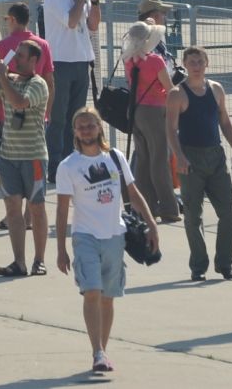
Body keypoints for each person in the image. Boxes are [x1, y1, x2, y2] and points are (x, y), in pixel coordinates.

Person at [55, 107, 159, 378]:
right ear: (75, 132)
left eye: (90, 125)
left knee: (108, 298)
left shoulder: (115, 157)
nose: (86, 130)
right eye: (81, 126)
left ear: (100, 127)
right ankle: (97, 351)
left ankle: (104, 348)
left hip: (115, 235)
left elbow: (133, 193)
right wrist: (61, 250)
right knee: (91, 291)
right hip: (85, 236)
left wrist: (152, 223)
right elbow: (62, 209)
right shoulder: (69, 166)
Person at [165, 45, 232, 282]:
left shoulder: (216, 89)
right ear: (185, 65)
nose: (196, 67)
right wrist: (180, 157)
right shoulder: (177, 93)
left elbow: (225, 122)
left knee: (229, 212)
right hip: (191, 157)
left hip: (215, 157)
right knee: (193, 216)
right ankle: (199, 265)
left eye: (200, 62)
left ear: (206, 63)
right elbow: (170, 129)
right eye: (191, 63)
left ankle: (225, 263)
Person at [0, 40, 51, 277]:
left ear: (34, 60)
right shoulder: (9, 79)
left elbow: (19, 102)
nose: (17, 59)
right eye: (17, 55)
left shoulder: (38, 84)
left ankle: (39, 260)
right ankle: (19, 262)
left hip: (32, 157)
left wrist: (3, 77)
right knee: (13, 208)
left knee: (36, 207)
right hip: (8, 156)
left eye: (21, 56)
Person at [42, 0, 103, 178]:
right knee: (58, 118)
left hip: (81, 62)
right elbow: (70, 21)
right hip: (60, 63)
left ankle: (71, 162)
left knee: (75, 118)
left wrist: (94, 0)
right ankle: (55, 166)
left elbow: (93, 25)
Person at [120, 20, 180, 224]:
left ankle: (146, 207)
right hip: (155, 111)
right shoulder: (155, 61)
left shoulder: (128, 59)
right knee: (159, 159)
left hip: (135, 110)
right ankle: (169, 207)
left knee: (143, 160)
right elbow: (169, 87)